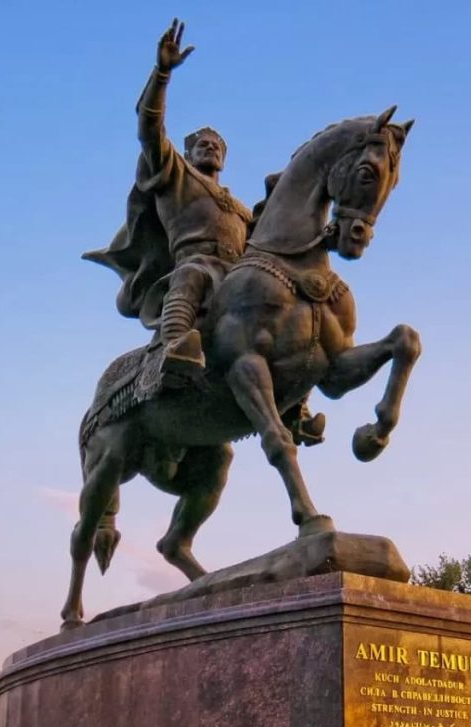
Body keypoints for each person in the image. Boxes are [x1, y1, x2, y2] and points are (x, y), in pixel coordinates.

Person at [85, 19, 324, 443]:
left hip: (239, 279)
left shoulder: (237, 206)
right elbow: (149, 129)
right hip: (197, 267)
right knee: (193, 271)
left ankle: (295, 405)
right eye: (202, 144)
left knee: (288, 307)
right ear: (190, 152)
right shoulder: (176, 177)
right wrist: (162, 75)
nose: (211, 147)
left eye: (217, 145)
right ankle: (175, 347)